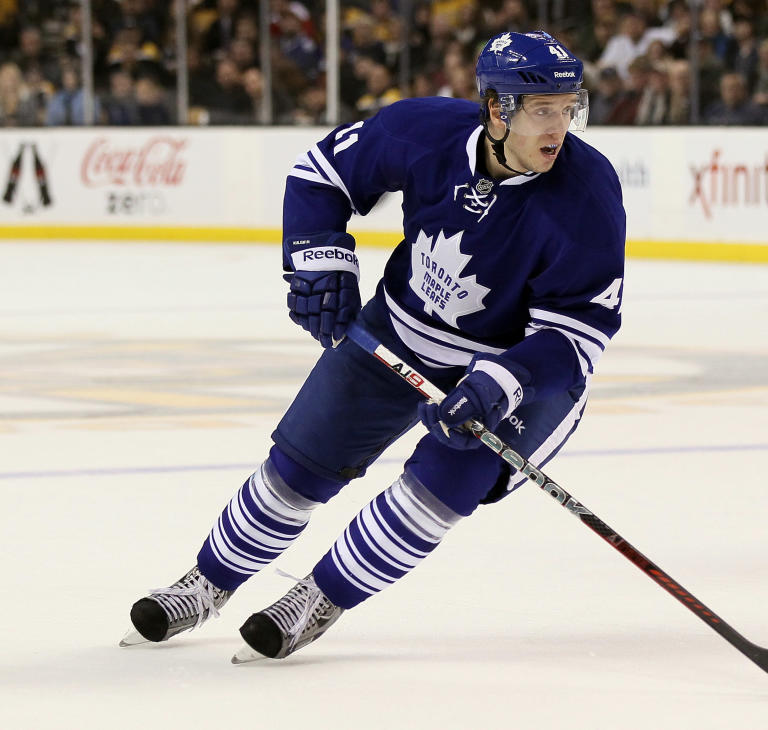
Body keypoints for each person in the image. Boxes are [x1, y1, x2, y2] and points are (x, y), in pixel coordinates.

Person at [121, 30, 626, 663]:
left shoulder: (588, 193)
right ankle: (208, 583)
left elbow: (577, 331)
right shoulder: (424, 130)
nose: (560, 127)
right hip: (397, 330)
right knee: (298, 467)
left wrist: (499, 383)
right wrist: (320, 261)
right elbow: (320, 175)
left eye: (568, 107)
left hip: (516, 370)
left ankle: (320, 596)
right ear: (497, 109)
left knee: (444, 482)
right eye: (542, 109)